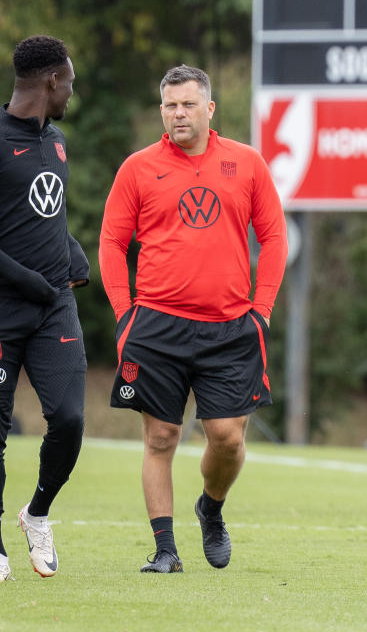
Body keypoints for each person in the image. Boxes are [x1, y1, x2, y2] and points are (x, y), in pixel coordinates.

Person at [99, 65, 287, 573]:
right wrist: (123, 314)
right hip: (156, 323)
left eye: (187, 104)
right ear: (161, 110)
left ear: (209, 108)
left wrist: (262, 310)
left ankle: (211, 507)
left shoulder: (246, 163)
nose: (178, 113)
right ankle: (164, 550)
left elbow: (274, 238)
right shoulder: (137, 168)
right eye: (169, 105)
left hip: (230, 327)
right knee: (161, 438)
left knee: (227, 437)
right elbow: (113, 244)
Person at [0, 35, 87, 583]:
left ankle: (37, 512)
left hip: (54, 307)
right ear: (50, 81)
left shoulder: (58, 140)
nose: (73, 89)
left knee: (69, 417)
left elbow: (43, 213)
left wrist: (72, 253)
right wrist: (24, 279)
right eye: (69, 79)